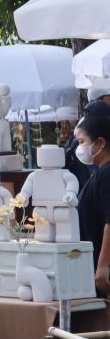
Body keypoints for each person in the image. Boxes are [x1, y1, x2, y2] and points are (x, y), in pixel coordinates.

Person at [70, 102, 110, 294]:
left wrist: (103, 265)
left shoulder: (106, 173)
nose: (79, 148)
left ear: (100, 143)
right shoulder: (99, 172)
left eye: (82, 142)